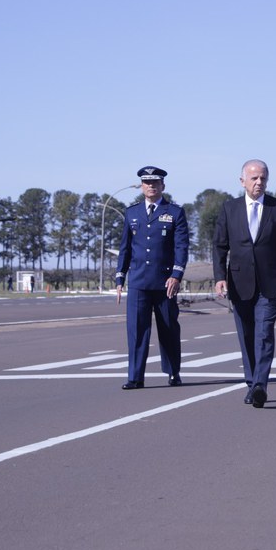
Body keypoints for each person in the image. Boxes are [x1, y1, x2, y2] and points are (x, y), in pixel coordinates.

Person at [214, 159, 276, 408]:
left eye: (263, 178)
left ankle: (261, 384)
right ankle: (252, 383)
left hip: (270, 283)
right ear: (242, 181)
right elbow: (219, 246)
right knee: (247, 335)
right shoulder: (230, 209)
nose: (259, 182)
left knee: (264, 333)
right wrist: (219, 277)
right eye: (254, 178)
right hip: (239, 282)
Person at [115, 166, 189, 390]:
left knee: (168, 328)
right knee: (137, 331)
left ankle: (173, 371)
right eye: (147, 183)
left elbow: (181, 247)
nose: (151, 186)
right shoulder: (132, 213)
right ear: (141, 186)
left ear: (162, 186)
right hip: (138, 282)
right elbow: (125, 248)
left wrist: (176, 275)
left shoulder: (174, 212)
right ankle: (135, 376)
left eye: (155, 182)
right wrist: (120, 278)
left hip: (165, 282)